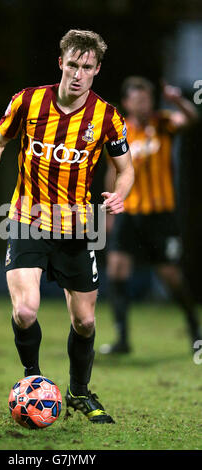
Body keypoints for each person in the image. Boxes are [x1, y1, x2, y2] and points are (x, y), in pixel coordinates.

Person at [0, 30, 134, 424]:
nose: (77, 74)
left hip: (77, 226)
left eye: (86, 67)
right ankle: (33, 381)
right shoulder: (28, 100)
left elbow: (126, 168)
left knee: (85, 321)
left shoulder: (107, 117)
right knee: (24, 310)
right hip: (26, 219)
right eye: (72, 64)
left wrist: (120, 193)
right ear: (61, 63)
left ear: (97, 70)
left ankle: (80, 393)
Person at [100, 76, 201, 355]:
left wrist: (178, 100)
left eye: (147, 99)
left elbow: (192, 119)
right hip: (128, 213)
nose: (144, 104)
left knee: (170, 275)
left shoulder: (164, 122)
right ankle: (122, 339)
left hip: (160, 214)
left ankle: (195, 331)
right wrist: (110, 211)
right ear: (127, 102)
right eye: (138, 99)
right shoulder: (119, 132)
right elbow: (113, 171)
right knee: (117, 269)